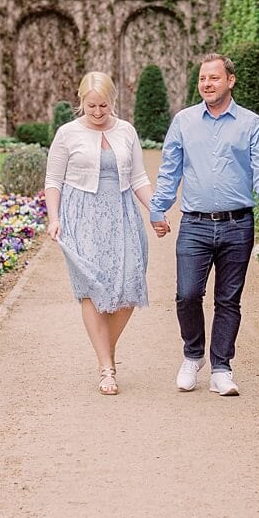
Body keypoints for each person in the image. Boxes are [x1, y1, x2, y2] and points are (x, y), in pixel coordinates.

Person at [149, 53, 259, 396]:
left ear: (230, 81)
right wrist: (158, 209)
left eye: (214, 78)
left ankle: (221, 367)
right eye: (203, 79)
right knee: (187, 294)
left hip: (238, 225)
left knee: (228, 300)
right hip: (195, 224)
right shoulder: (184, 121)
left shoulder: (250, 123)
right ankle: (193, 355)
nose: (207, 84)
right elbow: (169, 170)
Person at [45, 71, 154, 395]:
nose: (97, 112)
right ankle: (106, 366)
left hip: (121, 212)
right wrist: (54, 218)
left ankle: (105, 347)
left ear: (112, 102)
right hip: (82, 215)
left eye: (103, 106)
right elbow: (53, 180)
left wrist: (156, 210)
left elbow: (138, 178)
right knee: (92, 287)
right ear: (82, 102)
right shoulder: (67, 134)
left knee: (130, 283)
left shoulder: (126, 131)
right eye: (91, 106)